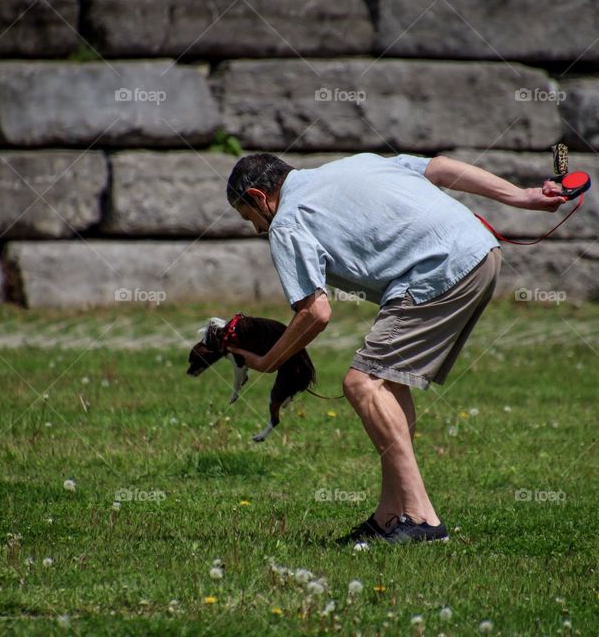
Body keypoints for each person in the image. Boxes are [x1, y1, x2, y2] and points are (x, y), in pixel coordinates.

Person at [224, 152, 564, 544]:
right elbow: (440, 167)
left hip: (439, 269)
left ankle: (422, 519)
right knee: (386, 384)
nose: (256, 230)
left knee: (362, 384)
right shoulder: (356, 162)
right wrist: (522, 197)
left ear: (259, 195)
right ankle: (391, 514)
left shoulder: (286, 222)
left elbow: (315, 312)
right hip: (480, 251)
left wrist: (268, 361)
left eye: (251, 218)